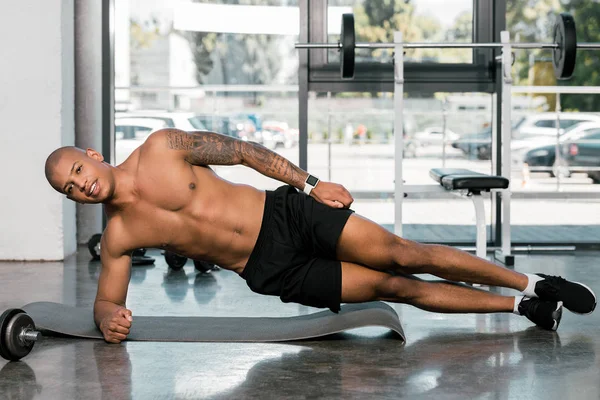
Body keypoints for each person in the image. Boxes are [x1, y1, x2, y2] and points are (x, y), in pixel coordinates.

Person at [44, 128, 596, 343]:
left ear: (91, 155)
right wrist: (106, 319)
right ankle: (519, 307)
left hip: (288, 214)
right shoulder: (119, 236)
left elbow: (241, 151)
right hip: (269, 270)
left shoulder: (162, 147)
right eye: (69, 189)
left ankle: (535, 279)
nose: (80, 184)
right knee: (394, 287)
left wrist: (311, 183)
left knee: (403, 253)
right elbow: (106, 300)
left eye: (76, 170)